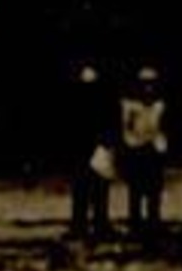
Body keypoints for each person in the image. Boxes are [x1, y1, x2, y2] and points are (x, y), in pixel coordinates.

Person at [66, 62, 116, 241]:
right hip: (82, 147)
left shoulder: (102, 99)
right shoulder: (80, 100)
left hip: (96, 146)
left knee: (97, 188)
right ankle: (83, 224)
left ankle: (96, 223)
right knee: (84, 189)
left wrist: (107, 142)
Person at [118, 64, 169, 237]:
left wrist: (161, 144)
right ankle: (135, 222)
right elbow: (125, 128)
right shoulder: (129, 105)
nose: (148, 87)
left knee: (155, 189)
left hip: (154, 149)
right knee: (136, 188)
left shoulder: (160, 104)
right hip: (136, 148)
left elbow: (164, 126)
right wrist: (130, 143)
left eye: (152, 83)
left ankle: (154, 220)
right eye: (144, 83)